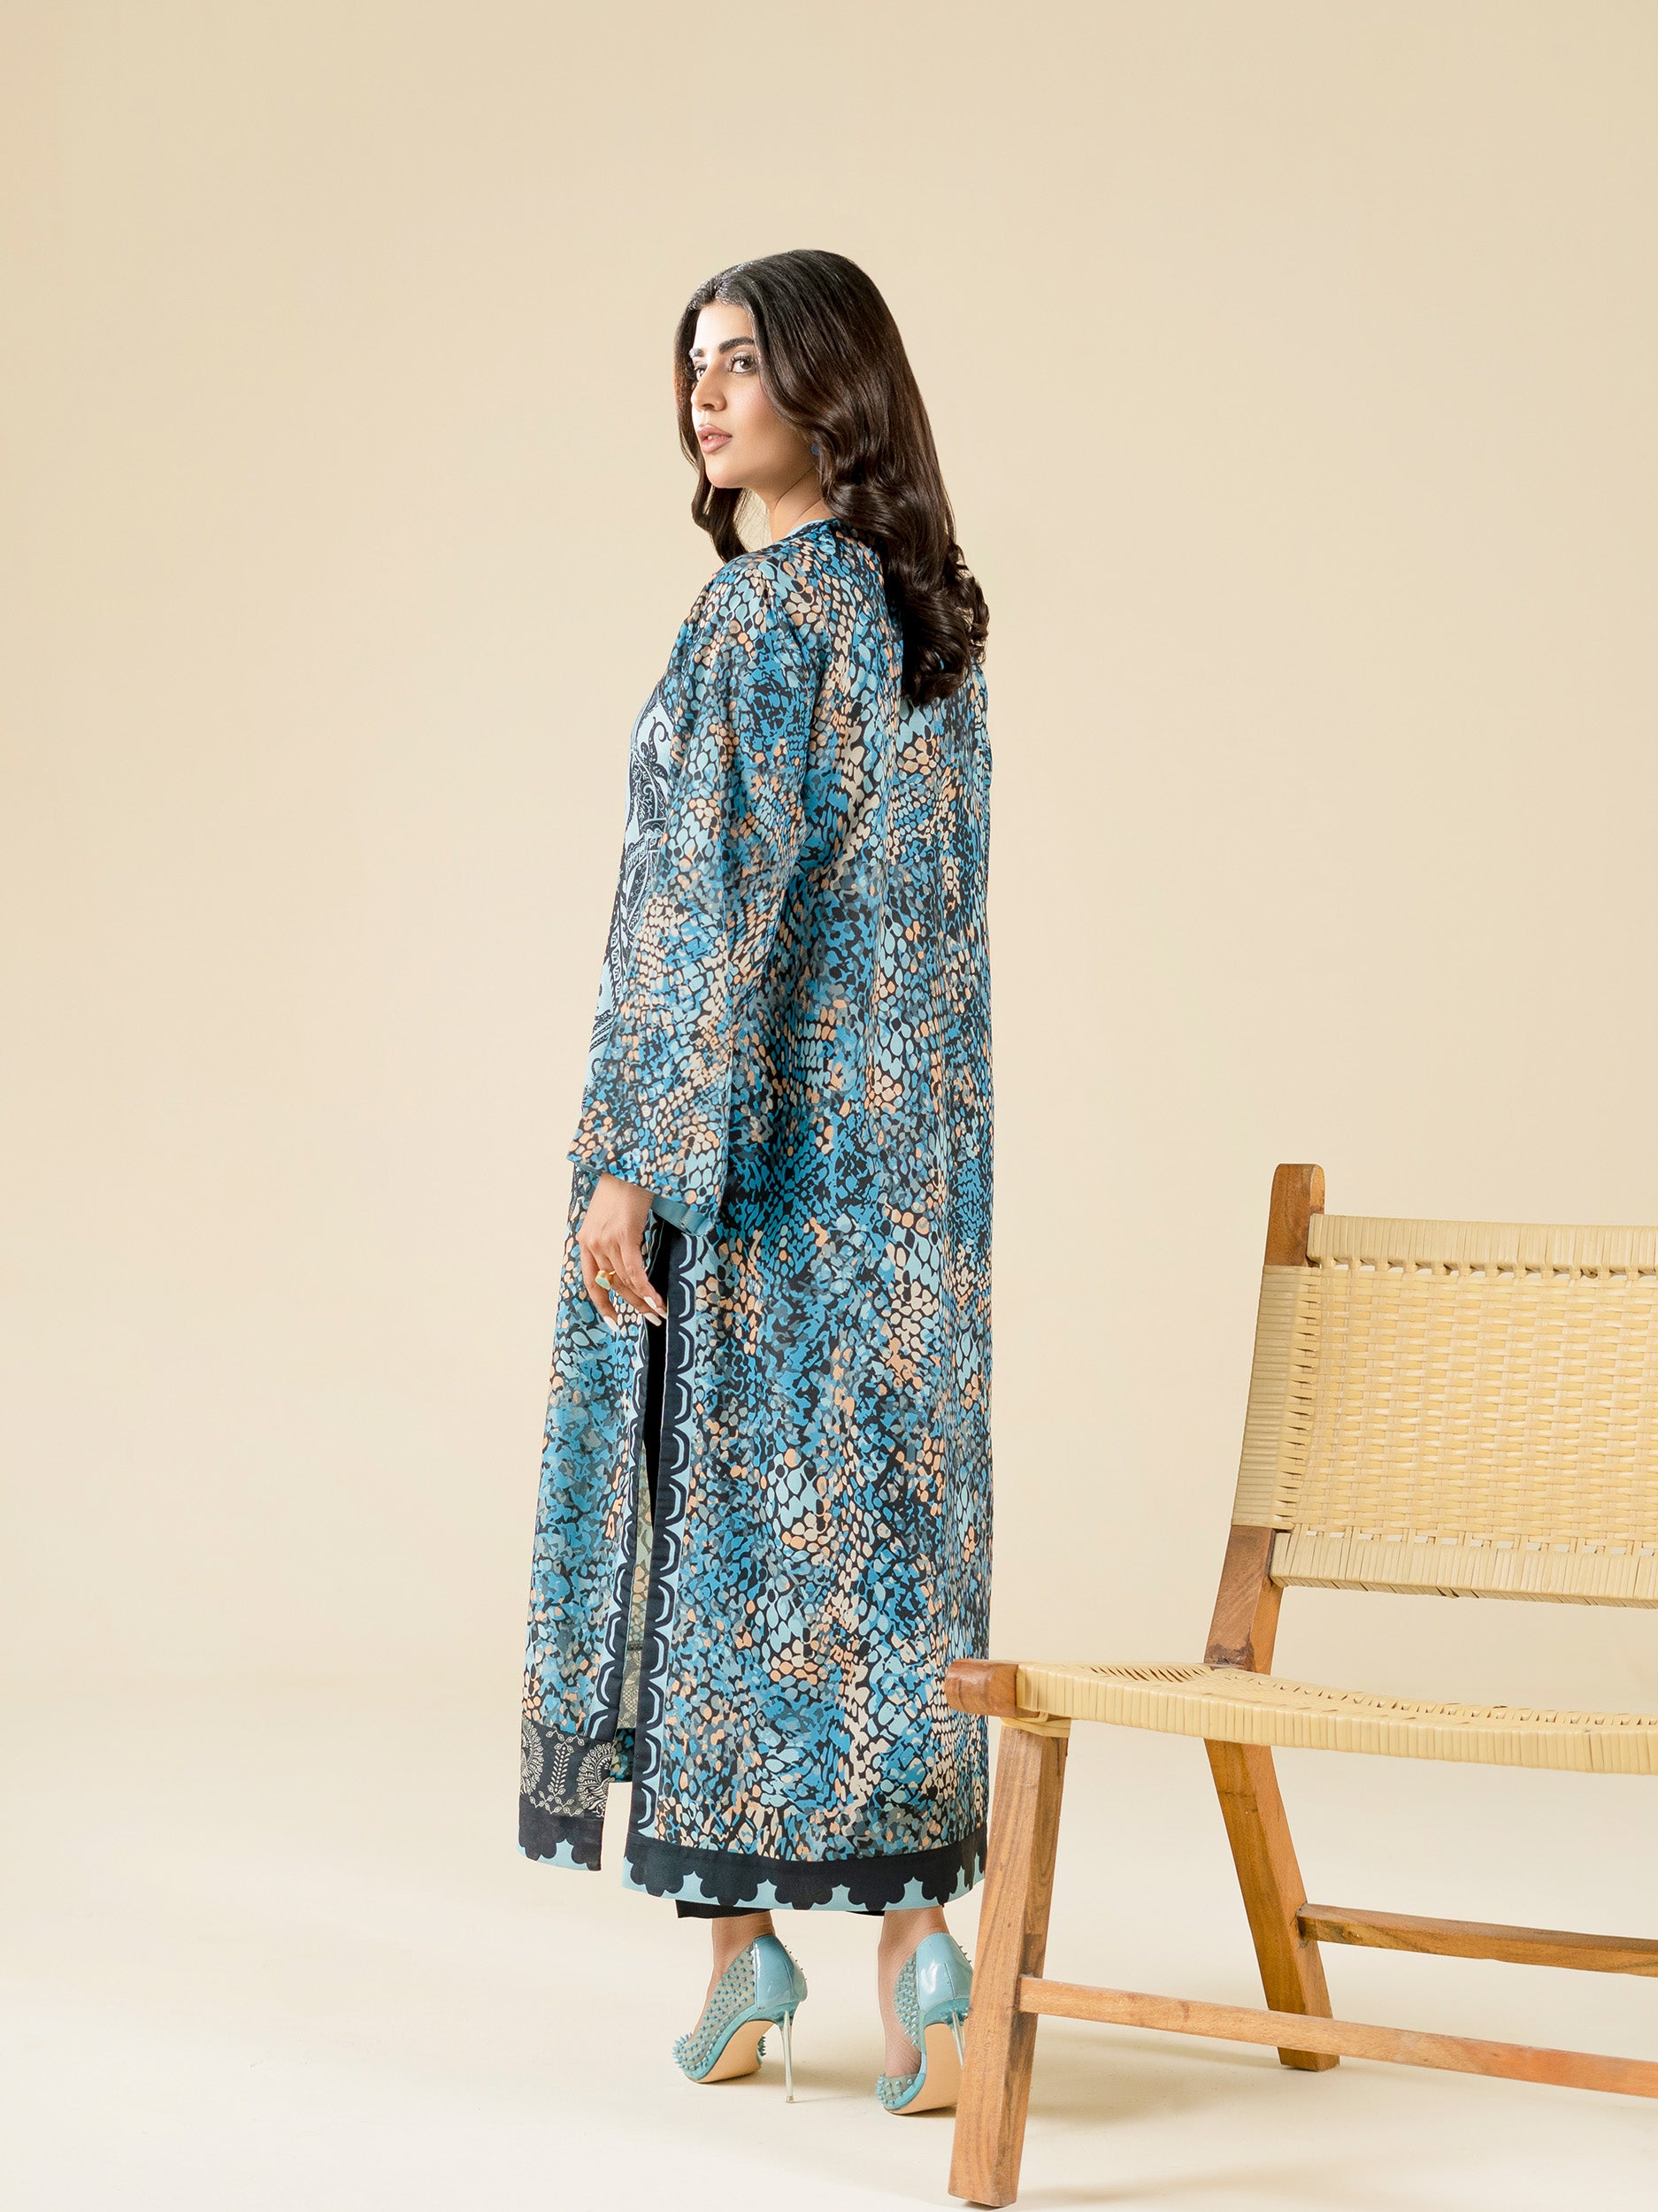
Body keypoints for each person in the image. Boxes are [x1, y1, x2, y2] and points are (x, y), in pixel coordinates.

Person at [519, 248, 992, 2114]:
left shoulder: (753, 621)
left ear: (830, 386)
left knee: (725, 1549)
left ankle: (743, 1963)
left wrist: (637, 1165)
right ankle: (917, 1962)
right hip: (916, 1208)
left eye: (742, 363)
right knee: (881, 1563)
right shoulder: (924, 632)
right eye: (693, 366)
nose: (705, 396)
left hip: (765, 1181)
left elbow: (701, 919)